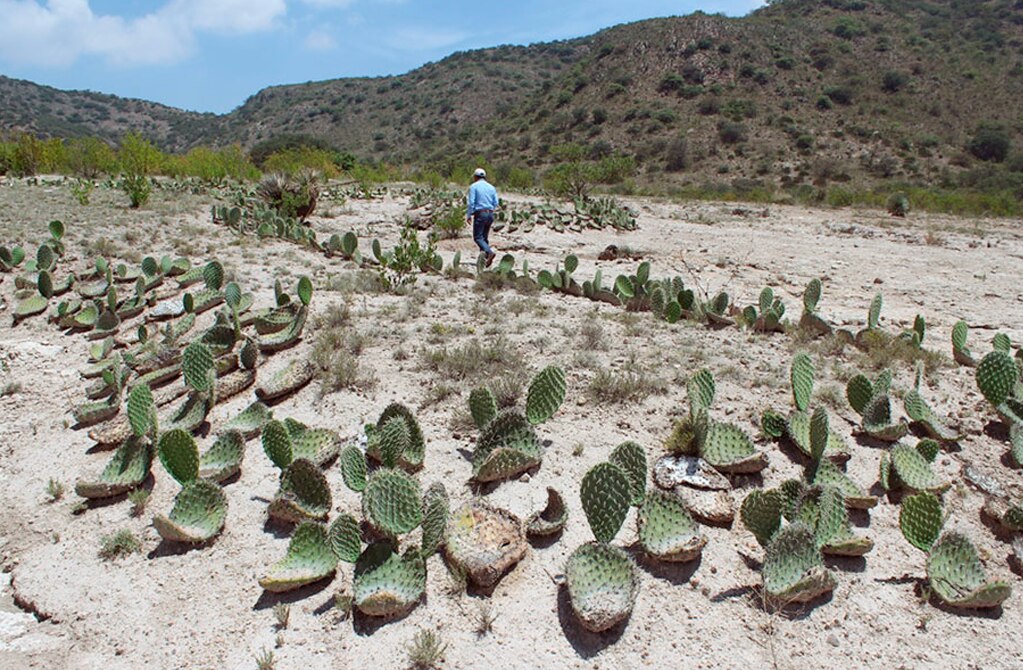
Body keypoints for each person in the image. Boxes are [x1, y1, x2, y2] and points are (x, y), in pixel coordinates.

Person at [466, 168, 499, 267]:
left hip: (480, 213)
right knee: (484, 238)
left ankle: (489, 253)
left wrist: (469, 215)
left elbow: (471, 202)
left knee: (478, 237)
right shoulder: (492, 187)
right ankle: (484, 260)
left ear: (475, 177)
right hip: (490, 213)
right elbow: (496, 203)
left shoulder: (474, 187)